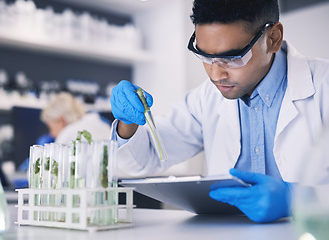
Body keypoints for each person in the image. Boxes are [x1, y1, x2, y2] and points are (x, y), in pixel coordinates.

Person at [109, 0, 329, 223]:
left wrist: (297, 199)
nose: (216, 74)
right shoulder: (206, 98)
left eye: (232, 57)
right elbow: (147, 157)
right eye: (205, 56)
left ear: (272, 38)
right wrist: (128, 122)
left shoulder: (324, 86)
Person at [41, 92, 111, 144]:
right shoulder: (102, 124)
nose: (51, 134)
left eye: (51, 128)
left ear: (61, 121)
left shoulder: (67, 134)